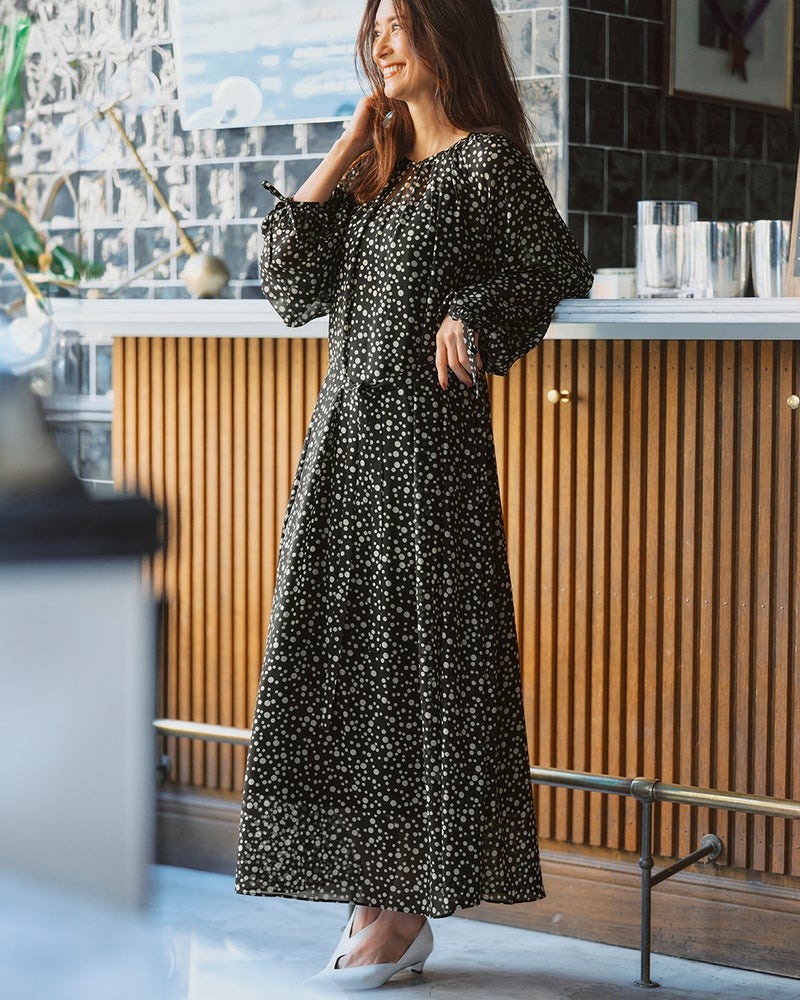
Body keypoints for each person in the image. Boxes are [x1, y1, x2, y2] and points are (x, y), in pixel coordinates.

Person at [235, 0, 593, 990]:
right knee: (348, 669)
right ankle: (373, 890)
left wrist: (471, 311)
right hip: (341, 450)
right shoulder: (379, 170)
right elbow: (286, 286)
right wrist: (350, 144)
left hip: (426, 458)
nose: (382, 43)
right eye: (377, 26)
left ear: (447, 36)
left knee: (409, 671)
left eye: (400, 23)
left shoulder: (486, 163)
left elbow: (549, 265)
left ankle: (400, 906)